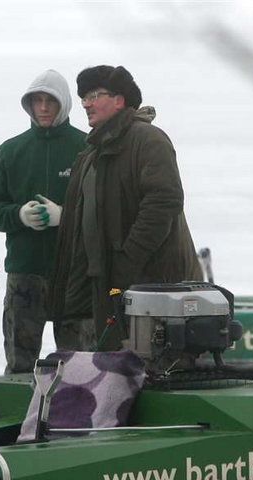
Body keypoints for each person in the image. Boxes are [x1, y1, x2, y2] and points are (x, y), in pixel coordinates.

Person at [48, 65, 201, 352]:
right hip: (103, 288)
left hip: (150, 289)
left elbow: (163, 203)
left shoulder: (149, 140)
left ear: (119, 100)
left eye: (94, 95)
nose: (85, 103)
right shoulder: (90, 153)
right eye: (83, 97)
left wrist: (127, 263)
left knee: (146, 372)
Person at [0, 69, 90, 374]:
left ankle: (73, 416)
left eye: (50, 101)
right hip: (24, 273)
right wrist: (18, 215)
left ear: (64, 105)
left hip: (73, 272)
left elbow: (103, 210)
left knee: (78, 363)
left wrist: (64, 216)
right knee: (19, 361)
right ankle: (19, 418)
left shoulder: (86, 149)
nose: (43, 107)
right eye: (37, 101)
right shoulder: (9, 152)